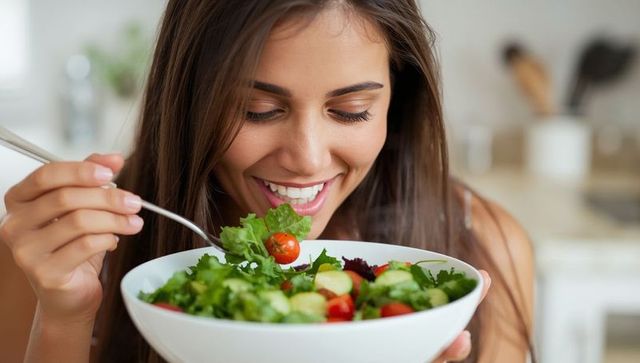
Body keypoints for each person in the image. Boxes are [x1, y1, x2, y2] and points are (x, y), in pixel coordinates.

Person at [0, 0, 535, 362]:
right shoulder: (65, 256)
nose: (306, 158)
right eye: (257, 110)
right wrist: (63, 318)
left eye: (350, 111)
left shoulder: (483, 242)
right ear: (190, 99)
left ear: (399, 96)